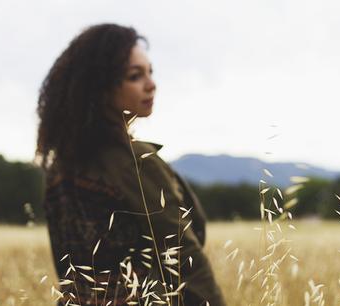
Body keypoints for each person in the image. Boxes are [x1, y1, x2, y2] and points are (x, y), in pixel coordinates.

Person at [35, 23, 226, 306]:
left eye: (150, 72)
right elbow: (185, 258)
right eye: (135, 76)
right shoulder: (134, 163)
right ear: (100, 87)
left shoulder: (60, 169)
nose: (151, 84)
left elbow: (67, 270)